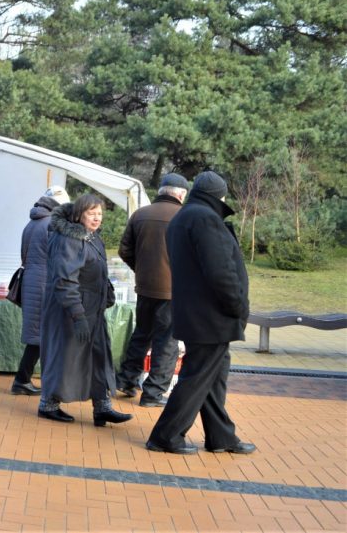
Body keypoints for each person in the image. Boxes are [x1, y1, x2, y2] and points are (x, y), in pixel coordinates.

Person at [147, 171, 256, 456]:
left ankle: (222, 436)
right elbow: (221, 272)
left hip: (195, 313)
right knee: (197, 376)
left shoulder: (184, 217)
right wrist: (238, 306)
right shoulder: (206, 219)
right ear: (219, 195)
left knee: (212, 377)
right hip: (212, 316)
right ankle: (165, 435)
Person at [37, 194, 132, 427]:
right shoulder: (68, 240)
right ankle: (48, 404)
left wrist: (106, 293)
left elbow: (98, 271)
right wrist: (77, 315)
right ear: (79, 214)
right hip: (70, 310)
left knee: (99, 356)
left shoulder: (93, 238)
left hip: (93, 309)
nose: (97, 218)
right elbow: (64, 280)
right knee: (65, 357)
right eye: (92, 213)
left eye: (99, 213)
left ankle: (102, 407)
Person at [115, 173, 188, 407]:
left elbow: (124, 250)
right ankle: (153, 393)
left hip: (145, 288)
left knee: (141, 334)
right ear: (181, 194)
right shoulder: (185, 217)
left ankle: (126, 381)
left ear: (161, 191)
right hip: (173, 291)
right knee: (166, 342)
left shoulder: (140, 214)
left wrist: (142, 269)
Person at [9, 185, 70, 396]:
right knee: (46, 335)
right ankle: (34, 381)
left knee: (40, 335)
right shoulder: (53, 224)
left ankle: (24, 380)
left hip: (32, 281)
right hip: (46, 283)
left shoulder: (32, 223)